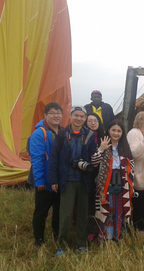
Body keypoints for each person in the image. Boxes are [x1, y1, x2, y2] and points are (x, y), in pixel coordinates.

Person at [49, 106, 96, 255]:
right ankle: (62, 245)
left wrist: (88, 165)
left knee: (83, 214)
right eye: (76, 115)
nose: (79, 119)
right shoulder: (62, 135)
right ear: (70, 116)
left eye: (82, 116)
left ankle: (81, 244)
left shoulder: (89, 135)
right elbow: (54, 159)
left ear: (85, 118)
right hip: (67, 180)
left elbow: (93, 158)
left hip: (84, 181)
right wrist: (54, 180)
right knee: (66, 215)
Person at [28, 102, 63, 247]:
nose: (56, 116)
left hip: (58, 180)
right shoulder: (39, 133)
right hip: (44, 181)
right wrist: (40, 182)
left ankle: (57, 236)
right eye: (52, 113)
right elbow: (37, 159)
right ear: (45, 115)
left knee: (58, 211)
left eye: (58, 113)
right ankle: (39, 239)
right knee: (41, 211)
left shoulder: (62, 132)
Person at [93, 120, 134, 240]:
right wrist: (101, 149)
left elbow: (131, 166)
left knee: (120, 208)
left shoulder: (125, 148)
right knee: (108, 208)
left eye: (119, 131)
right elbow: (94, 163)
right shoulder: (103, 145)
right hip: (106, 182)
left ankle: (117, 235)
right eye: (113, 130)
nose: (116, 133)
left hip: (122, 181)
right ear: (108, 131)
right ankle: (106, 236)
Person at [84, 113, 105, 241]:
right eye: (90, 121)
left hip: (103, 176)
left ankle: (102, 229)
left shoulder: (104, 137)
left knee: (101, 204)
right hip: (89, 175)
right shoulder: (84, 138)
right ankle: (90, 231)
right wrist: (100, 150)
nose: (93, 123)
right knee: (90, 205)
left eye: (95, 120)